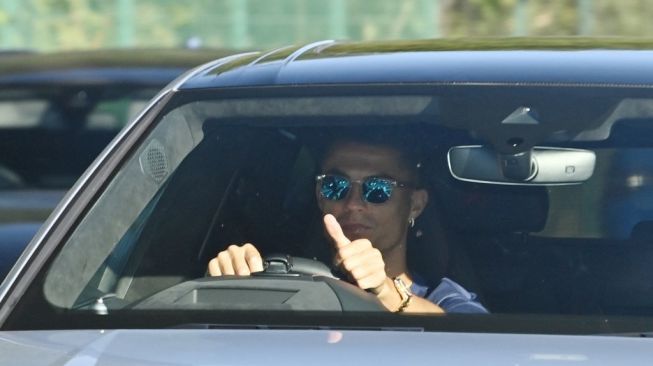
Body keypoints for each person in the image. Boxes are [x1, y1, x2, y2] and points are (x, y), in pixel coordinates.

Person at [208, 132, 487, 314]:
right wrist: (227, 286)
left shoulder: (444, 297)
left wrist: (386, 292)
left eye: (378, 189)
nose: (353, 203)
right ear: (319, 197)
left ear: (415, 204)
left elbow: (479, 345)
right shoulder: (280, 286)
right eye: (335, 186)